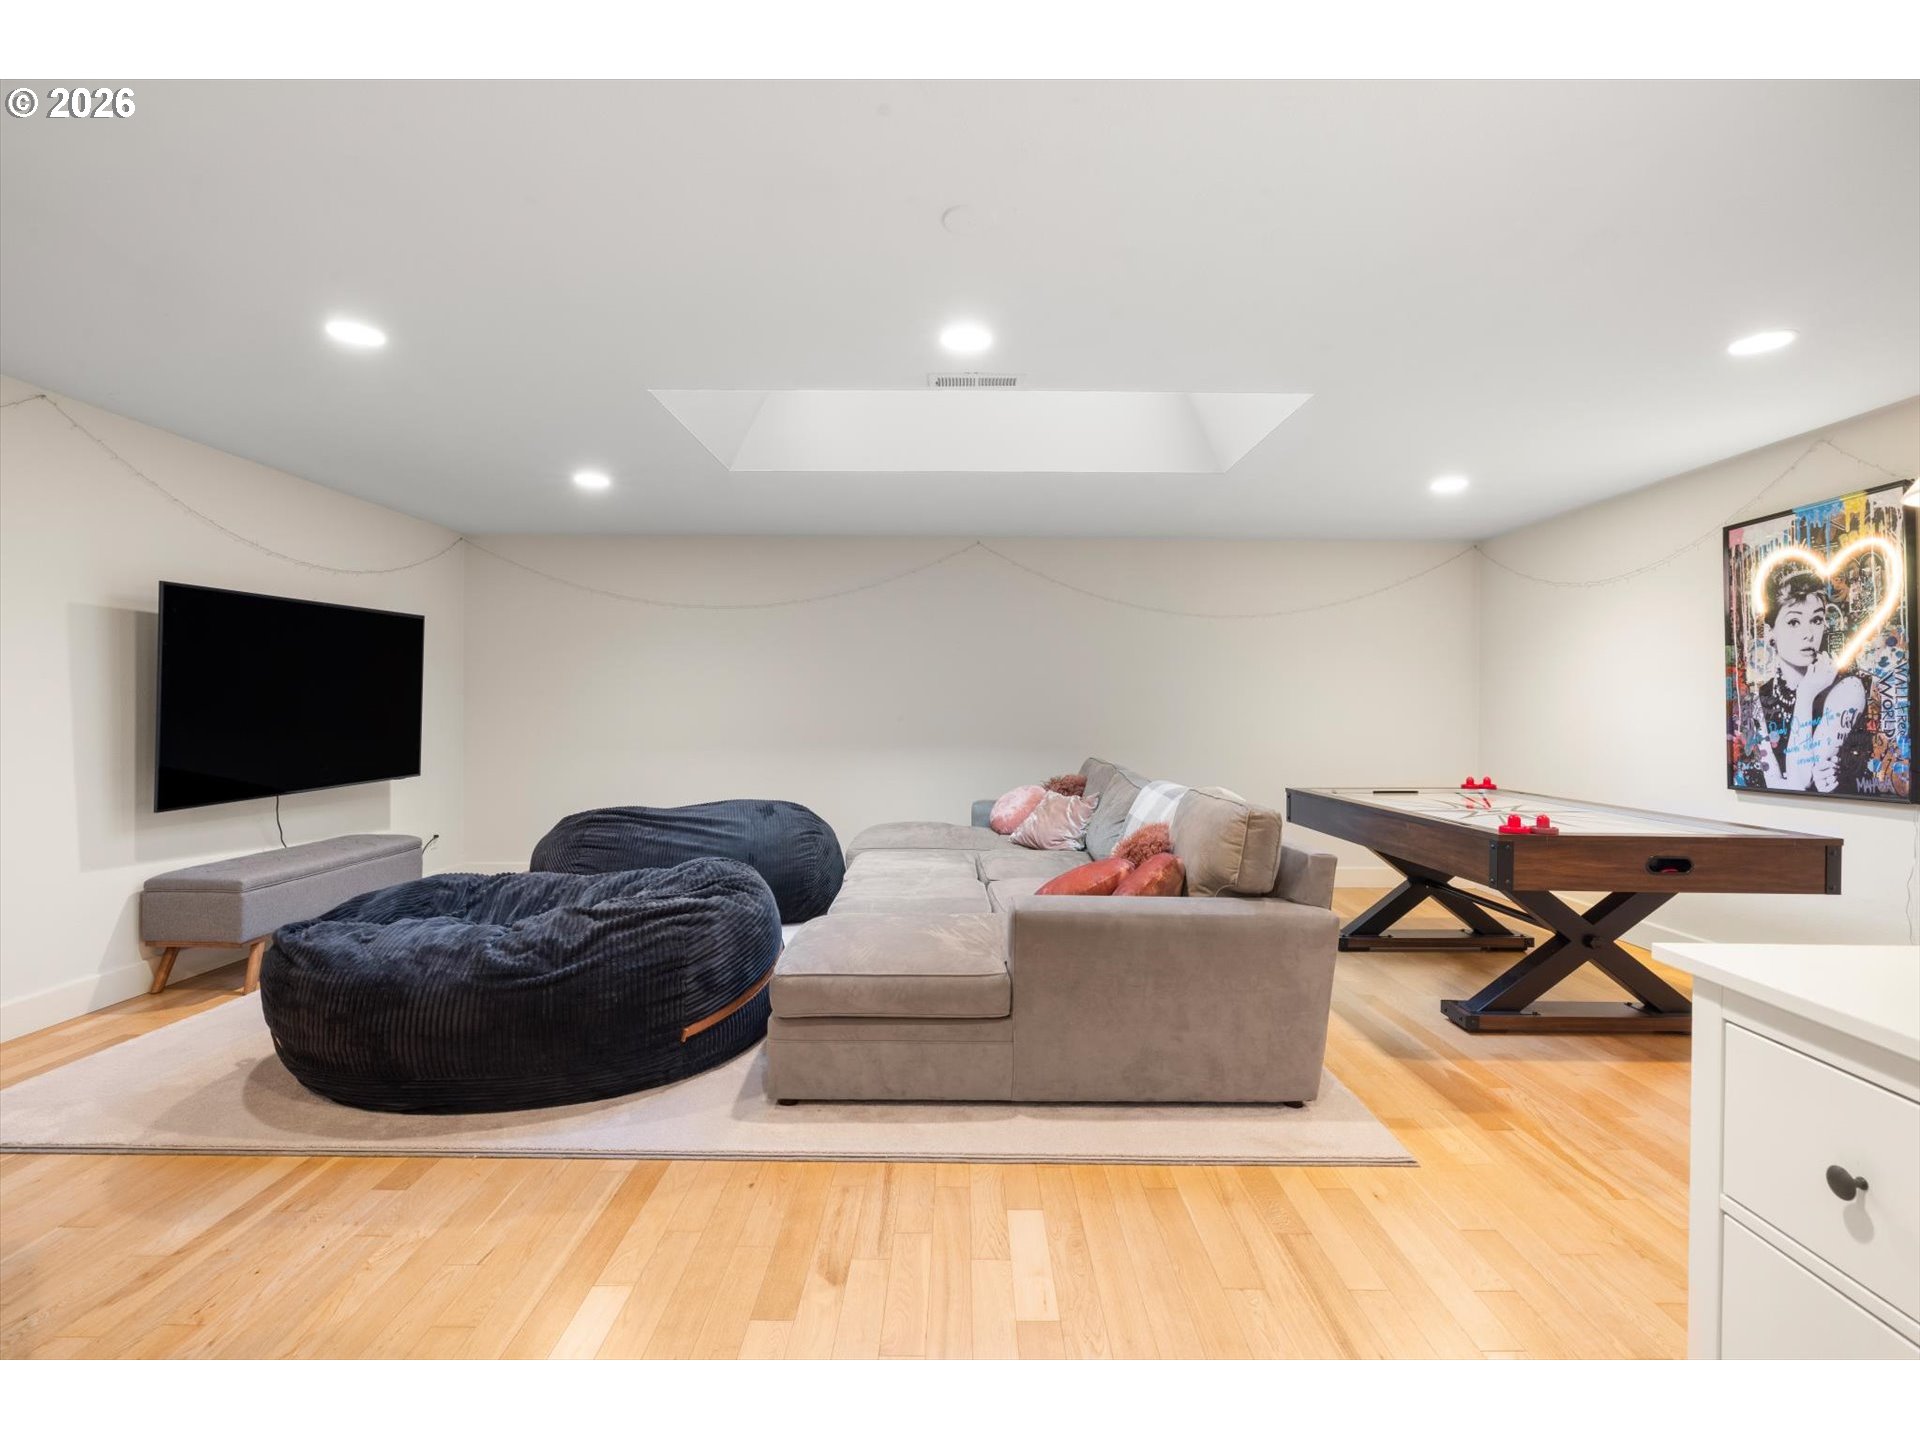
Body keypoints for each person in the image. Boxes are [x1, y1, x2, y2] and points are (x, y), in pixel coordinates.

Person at [1751, 567, 1869, 794]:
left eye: (1816, 620)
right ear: (1770, 632)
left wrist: (1805, 695)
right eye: (1794, 622)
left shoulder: (1847, 688)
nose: (1808, 633)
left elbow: (1798, 782)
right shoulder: (1760, 700)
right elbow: (1776, 785)